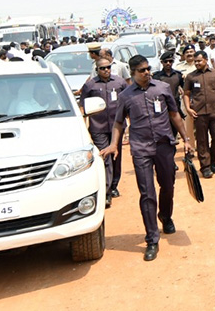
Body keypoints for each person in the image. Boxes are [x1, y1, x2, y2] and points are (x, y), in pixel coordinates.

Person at [101, 55, 194, 261]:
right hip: (141, 148)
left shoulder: (161, 88)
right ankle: (152, 239)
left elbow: (174, 115)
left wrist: (186, 139)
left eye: (148, 69)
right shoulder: (126, 96)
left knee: (168, 185)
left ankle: (165, 216)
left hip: (164, 145)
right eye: (142, 70)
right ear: (133, 73)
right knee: (147, 193)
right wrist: (114, 144)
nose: (146, 72)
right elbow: (118, 123)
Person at [79, 58, 128, 207]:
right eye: (103, 68)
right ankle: (106, 193)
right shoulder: (90, 86)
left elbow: (128, 102)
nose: (106, 70)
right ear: (97, 70)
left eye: (108, 67)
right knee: (105, 157)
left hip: (117, 126)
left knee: (116, 157)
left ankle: (114, 185)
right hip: (98, 126)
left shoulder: (119, 83)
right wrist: (82, 125)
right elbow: (82, 106)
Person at [183, 51, 215, 178]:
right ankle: (205, 166)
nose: (197, 63)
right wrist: (188, 108)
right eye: (195, 61)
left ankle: (212, 160)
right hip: (199, 113)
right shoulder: (191, 77)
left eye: (199, 60)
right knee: (202, 140)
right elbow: (186, 94)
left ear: (206, 60)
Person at [151, 51, 185, 137]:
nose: (168, 63)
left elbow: (185, 89)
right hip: (162, 108)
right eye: (165, 61)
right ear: (162, 62)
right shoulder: (156, 76)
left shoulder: (178, 75)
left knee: (174, 131)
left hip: (175, 106)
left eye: (170, 61)